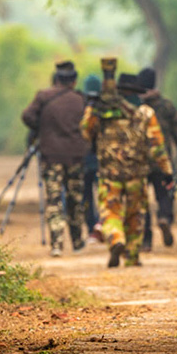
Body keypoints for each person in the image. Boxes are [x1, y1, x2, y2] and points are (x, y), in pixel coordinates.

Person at [80, 66, 173, 268]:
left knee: (110, 212)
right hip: (136, 175)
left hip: (108, 174)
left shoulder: (103, 112)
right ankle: (131, 256)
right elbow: (157, 145)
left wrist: (92, 108)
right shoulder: (146, 112)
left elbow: (86, 133)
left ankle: (115, 238)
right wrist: (166, 171)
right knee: (135, 215)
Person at [21, 61, 88, 257]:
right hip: (76, 156)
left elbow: (27, 116)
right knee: (75, 198)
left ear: (56, 79)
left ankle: (57, 244)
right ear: (74, 81)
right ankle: (77, 241)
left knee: (54, 200)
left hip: (51, 156)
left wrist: (42, 127)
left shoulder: (43, 96)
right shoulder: (80, 99)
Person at [137, 67, 177, 250]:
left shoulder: (135, 107)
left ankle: (146, 240)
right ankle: (164, 218)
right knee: (165, 193)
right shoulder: (166, 105)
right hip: (162, 159)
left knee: (141, 200)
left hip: (139, 161)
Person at [80, 74, 102, 242]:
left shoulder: (81, 106)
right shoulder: (106, 106)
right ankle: (102, 225)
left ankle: (92, 228)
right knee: (105, 194)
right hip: (102, 159)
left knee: (87, 195)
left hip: (86, 159)